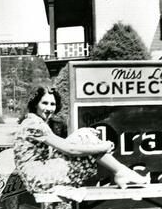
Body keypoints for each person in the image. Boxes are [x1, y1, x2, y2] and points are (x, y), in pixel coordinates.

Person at [13, 84, 147, 200]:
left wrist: (86, 138)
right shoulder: (34, 124)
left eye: (52, 104)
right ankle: (121, 171)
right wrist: (102, 147)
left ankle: (121, 172)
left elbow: (63, 147)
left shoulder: (36, 121)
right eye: (45, 103)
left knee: (84, 134)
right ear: (35, 104)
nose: (49, 108)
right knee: (84, 137)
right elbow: (70, 150)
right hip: (38, 177)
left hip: (40, 173)